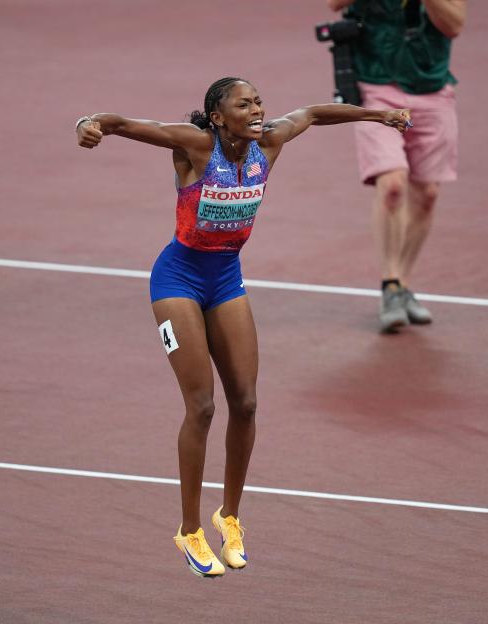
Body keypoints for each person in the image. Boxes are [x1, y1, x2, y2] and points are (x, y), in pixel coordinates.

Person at [75, 78, 410, 577]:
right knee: (202, 406)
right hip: (177, 280)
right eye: (244, 104)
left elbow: (313, 114)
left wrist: (376, 115)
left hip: (226, 279)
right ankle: (190, 530)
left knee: (247, 403)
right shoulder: (195, 146)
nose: (256, 110)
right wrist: (90, 124)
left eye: (258, 102)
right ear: (217, 117)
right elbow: (125, 125)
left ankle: (229, 517)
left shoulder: (268, 144)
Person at [326, 0, 466, 332]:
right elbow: (334, 3)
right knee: (392, 184)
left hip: (431, 87)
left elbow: (453, 25)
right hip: (376, 86)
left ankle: (401, 284)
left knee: (428, 194)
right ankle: (390, 284)